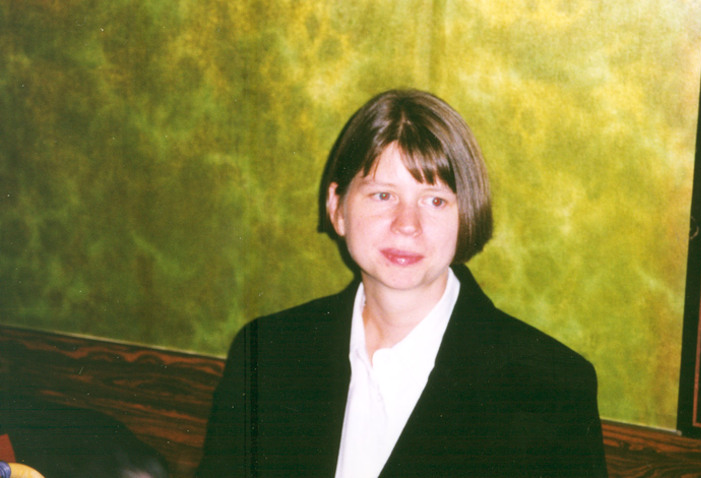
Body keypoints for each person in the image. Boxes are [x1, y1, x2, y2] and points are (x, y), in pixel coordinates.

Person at [196, 89, 608, 477]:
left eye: (435, 200)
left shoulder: (549, 387)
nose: (407, 224)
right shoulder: (266, 353)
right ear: (336, 207)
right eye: (383, 195)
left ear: (467, 216)